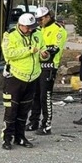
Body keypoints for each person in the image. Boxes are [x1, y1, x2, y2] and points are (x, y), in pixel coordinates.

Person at [0, 13, 47, 150]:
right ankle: (7, 138)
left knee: (24, 110)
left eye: (32, 27)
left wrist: (45, 55)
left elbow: (42, 49)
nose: (31, 29)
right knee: (11, 110)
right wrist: (29, 50)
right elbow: (9, 54)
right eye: (28, 27)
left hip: (32, 77)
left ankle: (20, 137)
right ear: (21, 25)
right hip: (15, 78)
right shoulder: (10, 35)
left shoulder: (37, 33)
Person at [27, 7, 67, 135]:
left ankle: (46, 125)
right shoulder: (39, 29)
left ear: (48, 16)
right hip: (37, 66)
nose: (39, 21)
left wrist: (40, 50)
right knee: (35, 96)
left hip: (49, 67)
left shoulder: (58, 29)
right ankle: (34, 122)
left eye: (41, 19)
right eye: (37, 20)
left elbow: (54, 48)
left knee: (45, 96)